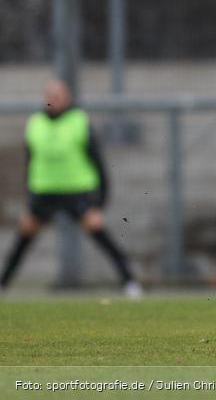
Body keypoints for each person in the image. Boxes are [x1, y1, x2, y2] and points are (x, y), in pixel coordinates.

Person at [0, 79, 142, 298]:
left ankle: (130, 282)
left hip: (76, 191)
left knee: (100, 234)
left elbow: (98, 163)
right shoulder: (35, 123)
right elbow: (30, 162)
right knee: (23, 237)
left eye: (59, 95)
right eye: (50, 95)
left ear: (67, 97)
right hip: (44, 193)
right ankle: (4, 283)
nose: (54, 99)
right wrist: (30, 195)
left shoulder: (78, 121)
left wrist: (99, 203)